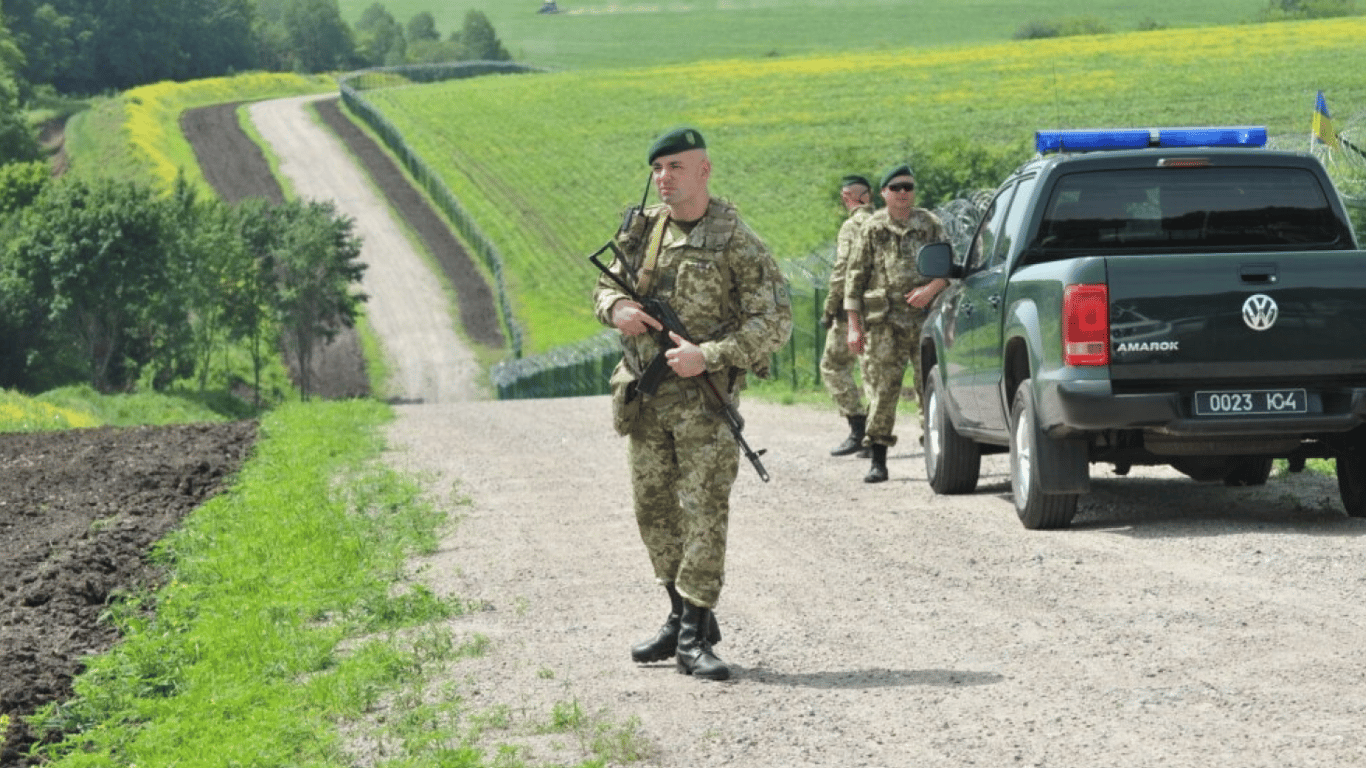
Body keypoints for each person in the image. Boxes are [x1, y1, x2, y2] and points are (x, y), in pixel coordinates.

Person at [593, 126, 792, 681]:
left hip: (703, 402)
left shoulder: (736, 240)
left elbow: (774, 321)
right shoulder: (642, 230)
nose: (663, 179)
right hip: (644, 394)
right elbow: (603, 287)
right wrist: (615, 310)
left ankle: (692, 635)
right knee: (653, 511)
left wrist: (710, 354)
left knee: (705, 514)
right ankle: (680, 615)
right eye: (657, 169)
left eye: (675, 168)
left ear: (703, 170)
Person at [844, 163, 949, 483]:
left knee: (928, 388)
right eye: (896, 188)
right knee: (883, 391)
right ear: (884, 193)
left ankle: (937, 454)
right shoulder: (873, 228)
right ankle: (878, 459)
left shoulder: (928, 224)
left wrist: (931, 288)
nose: (903, 193)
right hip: (884, 322)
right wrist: (853, 324)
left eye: (908, 187)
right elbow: (855, 275)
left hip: (924, 320)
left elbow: (947, 264)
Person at [821, 174, 877, 458]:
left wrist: (830, 307)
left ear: (847, 198)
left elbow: (842, 270)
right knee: (873, 372)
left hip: (852, 310)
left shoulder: (851, 226)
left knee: (832, 365)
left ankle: (858, 429)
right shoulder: (884, 222)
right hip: (881, 307)